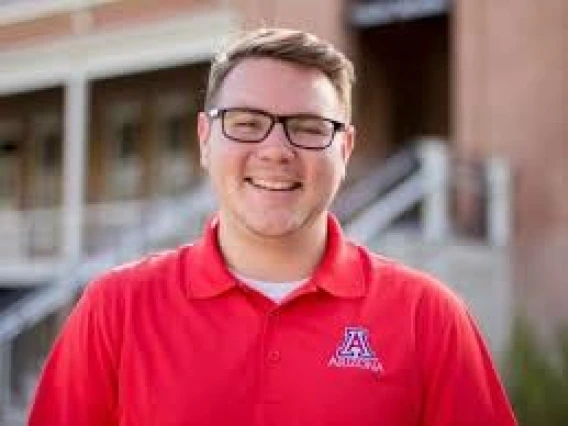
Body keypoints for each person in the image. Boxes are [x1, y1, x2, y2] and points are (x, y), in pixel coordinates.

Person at [28, 28, 517, 426]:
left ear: (344, 150)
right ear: (204, 138)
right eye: (245, 122)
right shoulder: (115, 310)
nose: (276, 150)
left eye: (307, 127)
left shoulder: (427, 318)